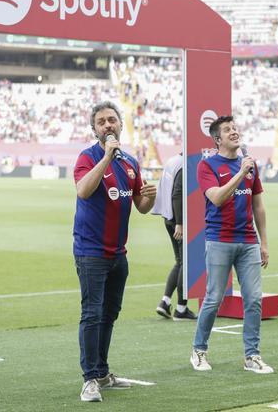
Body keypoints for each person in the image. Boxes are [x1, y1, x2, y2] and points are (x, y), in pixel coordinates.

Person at [73, 101, 157, 402]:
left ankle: (103, 372)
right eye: (101, 122)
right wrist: (106, 157)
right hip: (91, 252)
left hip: (118, 254)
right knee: (92, 314)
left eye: (112, 120)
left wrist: (150, 196)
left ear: (120, 124)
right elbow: (83, 190)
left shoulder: (130, 163)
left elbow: (141, 207)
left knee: (109, 314)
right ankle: (89, 379)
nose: (107, 125)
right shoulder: (88, 157)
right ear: (94, 129)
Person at [190, 115, 273, 374]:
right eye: (227, 130)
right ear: (217, 139)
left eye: (235, 128)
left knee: (254, 300)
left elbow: (258, 205)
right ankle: (199, 350)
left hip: (248, 241)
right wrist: (240, 173)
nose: (234, 132)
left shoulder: (251, 166)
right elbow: (216, 198)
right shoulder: (207, 166)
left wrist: (264, 242)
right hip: (219, 240)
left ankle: (252, 356)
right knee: (214, 298)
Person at [152, 153, 197, 320]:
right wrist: (180, 222)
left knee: (180, 261)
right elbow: (177, 193)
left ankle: (165, 302)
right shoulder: (185, 165)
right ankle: (181, 308)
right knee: (186, 263)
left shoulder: (172, 160)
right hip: (178, 221)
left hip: (168, 217)